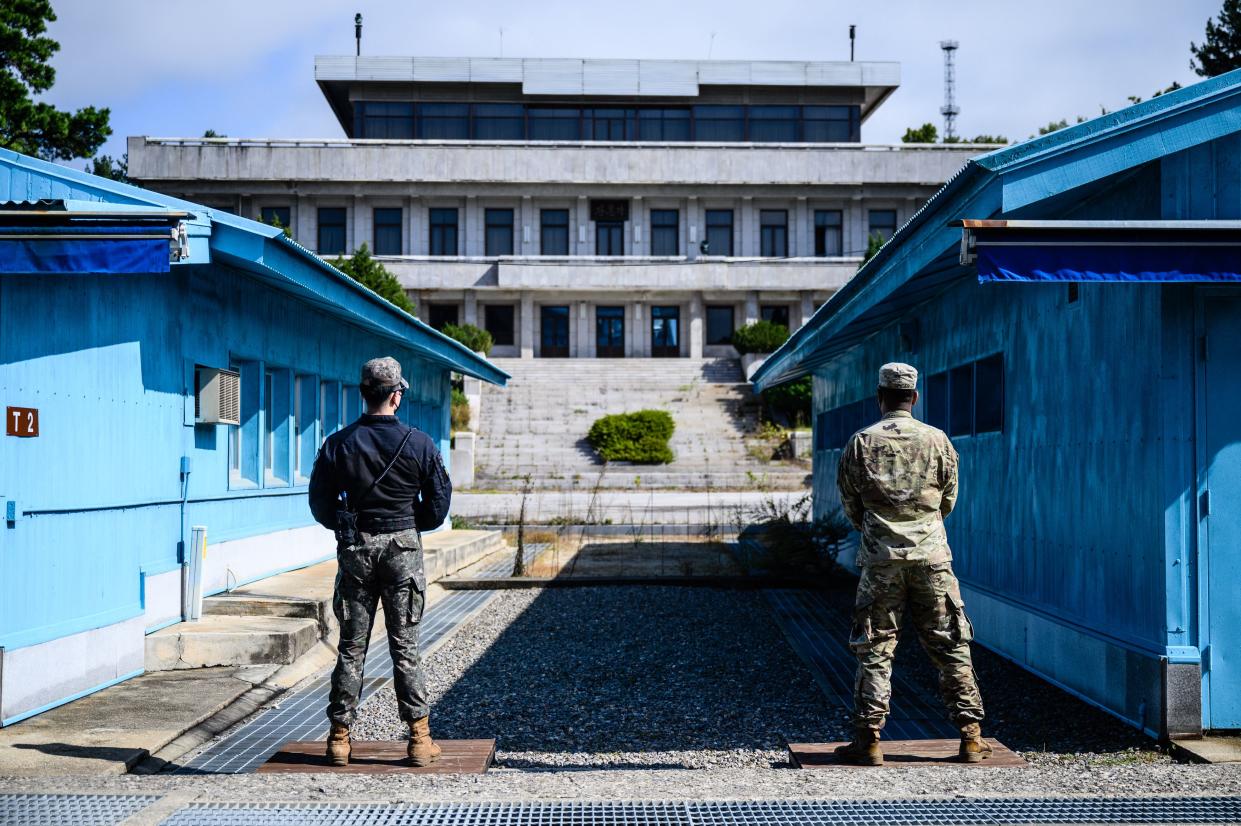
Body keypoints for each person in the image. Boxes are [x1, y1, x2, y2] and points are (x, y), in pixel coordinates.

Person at [834, 362, 989, 766]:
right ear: (914, 397)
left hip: (881, 561)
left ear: (879, 396)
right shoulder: (938, 441)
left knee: (875, 648)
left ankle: (868, 739)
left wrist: (878, 532)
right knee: (951, 645)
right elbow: (949, 500)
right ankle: (971, 737)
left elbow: (851, 504)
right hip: (932, 558)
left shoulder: (861, 442)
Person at [309, 356, 452, 767]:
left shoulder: (338, 444)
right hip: (403, 550)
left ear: (363, 392)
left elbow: (320, 503)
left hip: (356, 551)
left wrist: (347, 525)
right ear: (396, 394)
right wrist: (408, 525)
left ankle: (339, 738)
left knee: (351, 646)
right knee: (405, 647)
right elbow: (439, 506)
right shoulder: (420, 444)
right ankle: (420, 740)